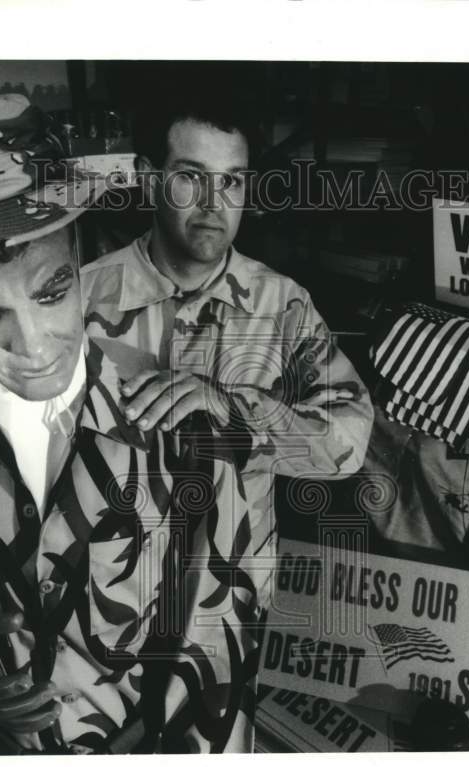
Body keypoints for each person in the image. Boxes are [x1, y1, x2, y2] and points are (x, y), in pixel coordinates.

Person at [0, 95, 260, 754]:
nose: (36, 345)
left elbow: (226, 662)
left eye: (51, 292)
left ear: (79, 262)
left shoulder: (184, 438)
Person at [80, 94, 375, 606]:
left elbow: (346, 446)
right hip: (108, 600)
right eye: (191, 177)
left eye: (232, 180)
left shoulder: (282, 304)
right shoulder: (79, 301)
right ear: (150, 179)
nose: (214, 205)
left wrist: (232, 410)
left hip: (231, 600)